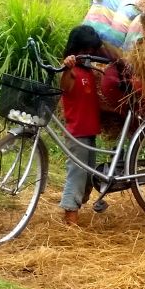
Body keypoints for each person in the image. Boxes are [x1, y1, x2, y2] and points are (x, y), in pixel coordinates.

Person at [59, 25, 105, 225]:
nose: (89, 55)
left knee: (88, 177)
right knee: (77, 174)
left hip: (90, 132)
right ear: (75, 49)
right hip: (77, 133)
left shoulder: (89, 71)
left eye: (92, 52)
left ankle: (77, 204)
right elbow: (65, 87)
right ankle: (70, 216)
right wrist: (68, 67)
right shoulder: (72, 72)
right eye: (85, 51)